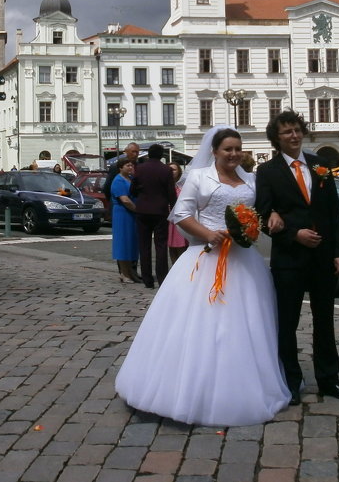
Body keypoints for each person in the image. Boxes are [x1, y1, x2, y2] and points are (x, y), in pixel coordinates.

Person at [115, 127, 290, 426]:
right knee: (201, 324)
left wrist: (266, 218)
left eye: (237, 149)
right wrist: (209, 234)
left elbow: (261, 209)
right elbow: (182, 215)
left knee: (244, 325)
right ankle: (190, 387)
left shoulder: (251, 179)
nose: (233, 154)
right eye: (227, 149)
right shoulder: (199, 177)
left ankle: (243, 383)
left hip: (244, 261)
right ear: (214, 151)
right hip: (206, 257)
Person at [255, 110, 339, 405]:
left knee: (325, 321)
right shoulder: (268, 171)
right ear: (277, 138)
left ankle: (329, 379)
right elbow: (262, 216)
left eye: (297, 130)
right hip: (289, 258)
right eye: (287, 132)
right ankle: (291, 381)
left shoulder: (320, 165)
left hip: (323, 258)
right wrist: (293, 235)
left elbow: (334, 212)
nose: (294, 135)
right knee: (287, 323)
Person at [130, 144, 177, 288]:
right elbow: (171, 192)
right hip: (160, 210)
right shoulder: (166, 170)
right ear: (161, 155)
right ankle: (162, 278)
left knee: (144, 246)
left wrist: (141, 196)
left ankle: (147, 279)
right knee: (161, 245)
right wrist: (172, 205)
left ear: (148, 154)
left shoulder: (140, 168)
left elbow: (132, 189)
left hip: (143, 210)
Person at [111, 157, 142, 283]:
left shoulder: (131, 179)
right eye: (128, 165)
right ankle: (124, 273)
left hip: (131, 215)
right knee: (123, 243)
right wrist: (138, 210)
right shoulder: (118, 180)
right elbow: (125, 200)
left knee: (131, 243)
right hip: (122, 214)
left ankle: (131, 272)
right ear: (120, 167)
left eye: (131, 165)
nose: (130, 167)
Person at [166, 162, 188, 265]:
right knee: (171, 247)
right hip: (168, 219)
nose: (171, 172)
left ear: (179, 171)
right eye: (169, 169)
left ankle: (182, 267)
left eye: (174, 170)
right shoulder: (164, 185)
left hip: (180, 219)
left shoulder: (183, 186)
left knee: (181, 246)